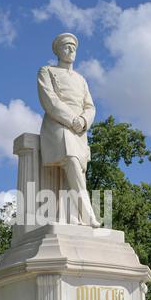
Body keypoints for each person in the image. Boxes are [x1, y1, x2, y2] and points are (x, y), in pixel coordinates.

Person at [37, 32, 100, 227]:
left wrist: (83, 120)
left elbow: (90, 106)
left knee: (77, 172)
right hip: (58, 125)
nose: (71, 49)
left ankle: (74, 218)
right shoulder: (46, 71)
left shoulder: (81, 79)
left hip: (80, 130)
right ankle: (88, 214)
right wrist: (72, 119)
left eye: (73, 46)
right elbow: (50, 101)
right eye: (66, 46)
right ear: (57, 51)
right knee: (71, 160)